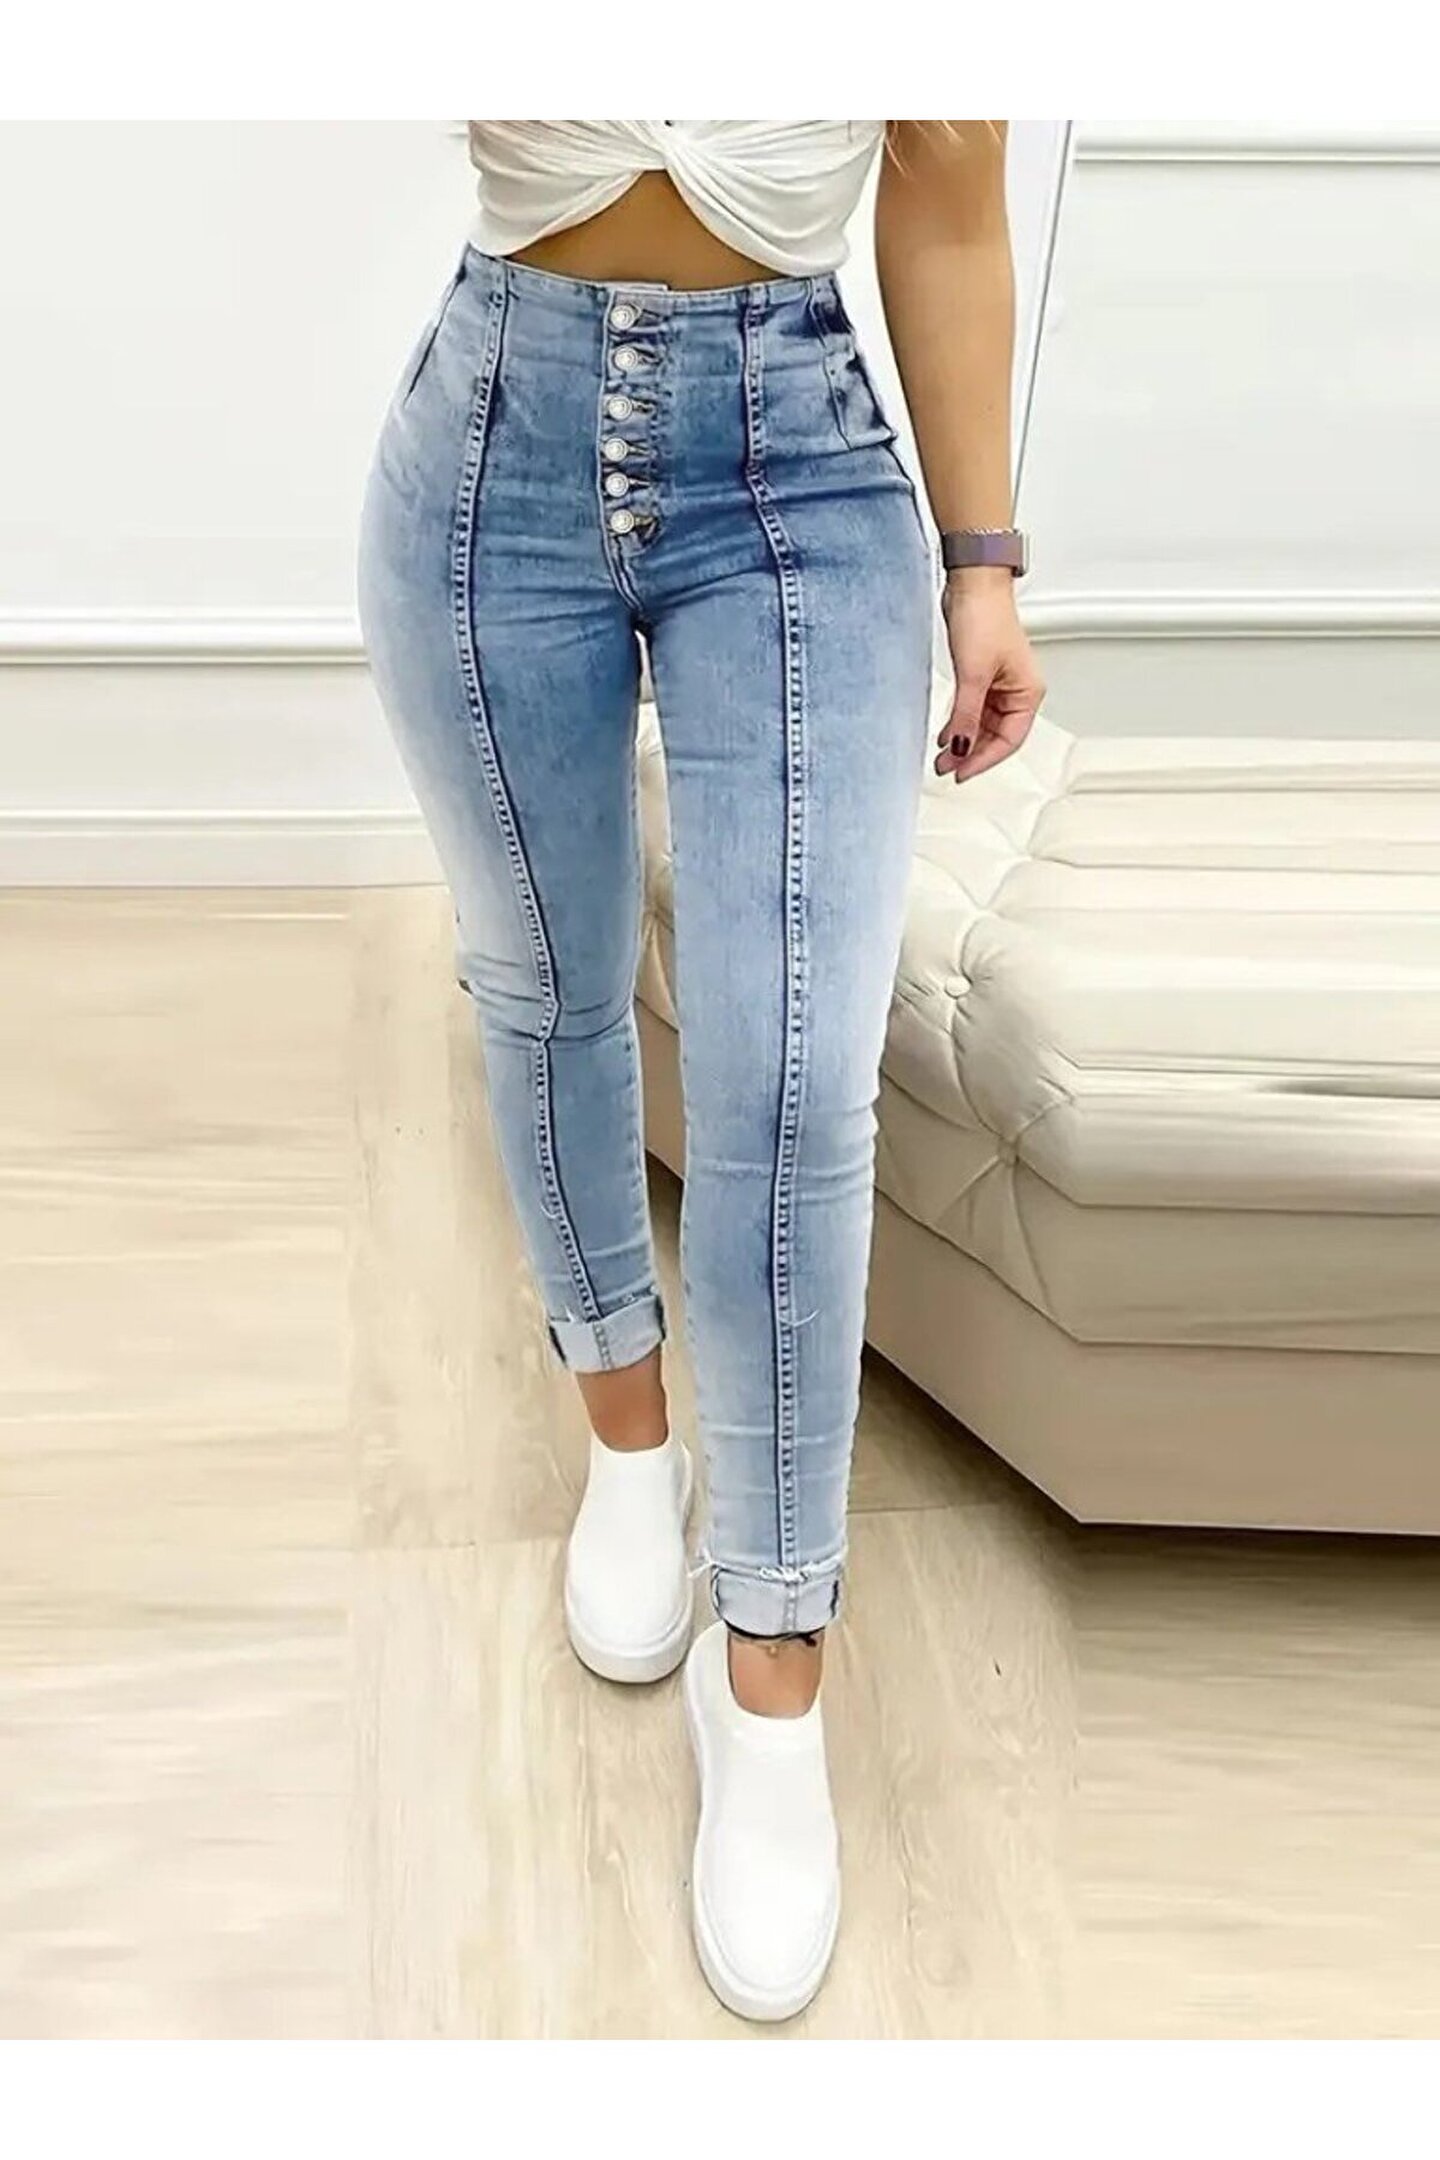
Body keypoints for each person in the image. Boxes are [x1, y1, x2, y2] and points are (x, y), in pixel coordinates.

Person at [356, 118, 1044, 2023]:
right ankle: (628, 1448)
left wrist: (985, 565)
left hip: (798, 472)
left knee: (795, 1093)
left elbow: (953, 182)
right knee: (544, 986)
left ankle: (774, 1686)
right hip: (492, 444)